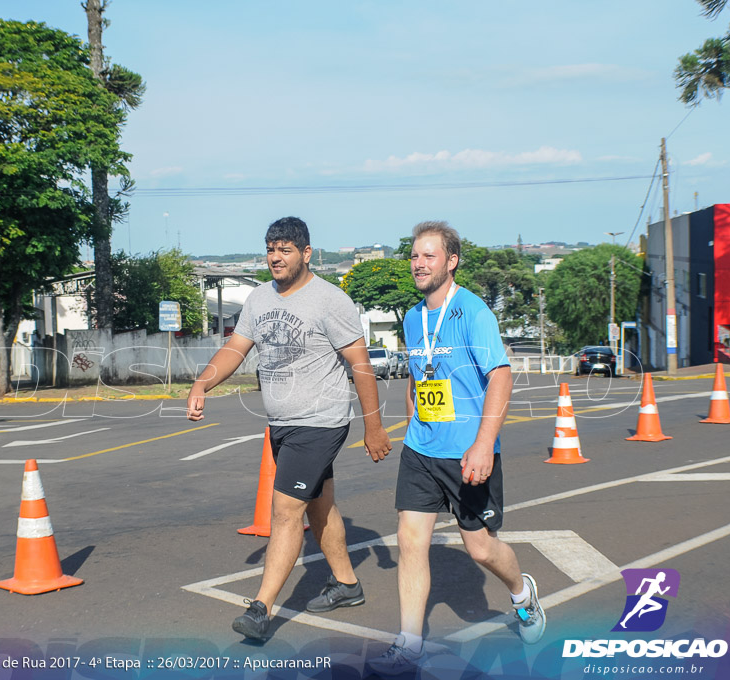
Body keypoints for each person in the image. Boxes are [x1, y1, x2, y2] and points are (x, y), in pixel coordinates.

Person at [187, 216, 392, 641]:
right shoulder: (260, 299)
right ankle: (347, 585)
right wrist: (202, 382)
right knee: (319, 506)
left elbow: (361, 366)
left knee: (284, 512)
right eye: (270, 249)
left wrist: (374, 427)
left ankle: (261, 608)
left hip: (319, 422)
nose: (276, 257)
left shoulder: (329, 300)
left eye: (285, 249)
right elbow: (235, 348)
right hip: (282, 423)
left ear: (306, 253)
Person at [368, 221, 546, 675]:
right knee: (410, 542)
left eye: (429, 255)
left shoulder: (472, 311)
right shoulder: (413, 316)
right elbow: (418, 375)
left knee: (482, 550)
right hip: (422, 450)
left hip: (469, 452)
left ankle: (522, 595)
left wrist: (484, 444)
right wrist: (414, 424)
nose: (419, 263)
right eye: (414, 255)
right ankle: (409, 645)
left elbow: (500, 376)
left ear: (451, 261)